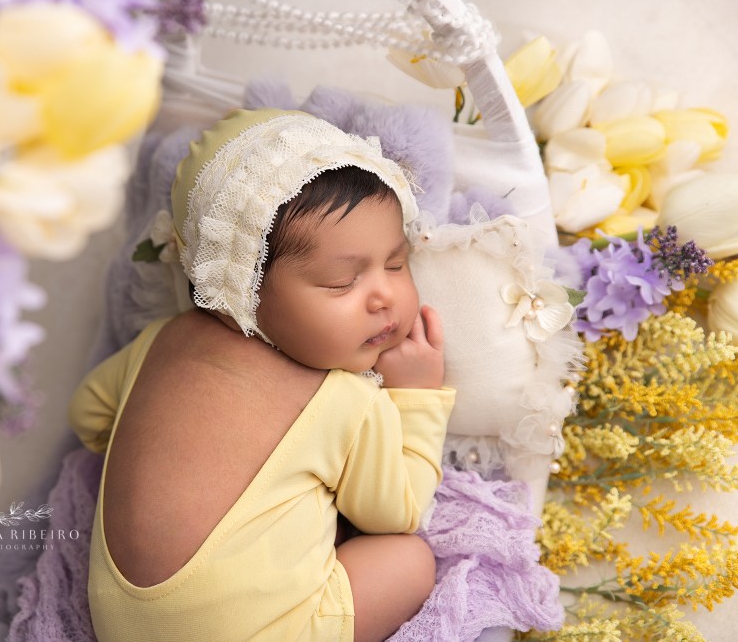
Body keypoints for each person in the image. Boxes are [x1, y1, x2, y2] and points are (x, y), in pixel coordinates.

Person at [69, 108, 455, 642]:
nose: (384, 296)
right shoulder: (341, 400)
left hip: (122, 627)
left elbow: (87, 413)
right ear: (240, 291)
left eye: (396, 262)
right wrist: (415, 396)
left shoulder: (159, 341)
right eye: (342, 282)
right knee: (408, 558)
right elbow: (402, 511)